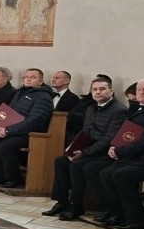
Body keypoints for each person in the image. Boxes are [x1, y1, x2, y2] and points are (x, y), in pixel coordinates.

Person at [83, 79, 144, 228]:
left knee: (119, 174)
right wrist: (115, 147)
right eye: (139, 89)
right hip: (132, 155)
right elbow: (126, 133)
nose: (142, 92)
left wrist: (120, 151)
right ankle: (117, 213)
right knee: (106, 173)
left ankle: (138, 219)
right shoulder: (142, 108)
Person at [41, 77, 125, 220]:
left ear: (111, 91)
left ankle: (76, 206)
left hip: (105, 152)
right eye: (94, 89)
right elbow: (85, 132)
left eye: (102, 89)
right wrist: (74, 149)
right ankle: (62, 202)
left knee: (77, 165)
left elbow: (109, 138)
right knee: (61, 161)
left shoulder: (119, 110)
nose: (98, 92)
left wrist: (85, 152)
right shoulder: (91, 108)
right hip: (90, 148)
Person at [0, 67, 53, 188]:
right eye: (26, 77)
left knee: (4, 147)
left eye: (33, 77)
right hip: (13, 130)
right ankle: (1, 176)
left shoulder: (43, 97)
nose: (28, 79)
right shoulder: (19, 93)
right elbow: (7, 112)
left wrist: (8, 130)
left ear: (41, 81)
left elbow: (34, 121)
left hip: (30, 134)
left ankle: (14, 178)